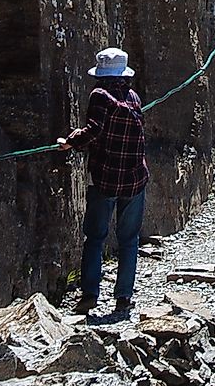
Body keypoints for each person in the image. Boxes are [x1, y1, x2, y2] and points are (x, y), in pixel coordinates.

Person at [58, 47, 149, 319]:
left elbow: (94, 130)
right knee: (128, 240)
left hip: (106, 178)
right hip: (134, 178)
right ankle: (123, 298)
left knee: (95, 237)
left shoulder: (99, 95)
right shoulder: (133, 97)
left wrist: (70, 142)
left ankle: (89, 295)